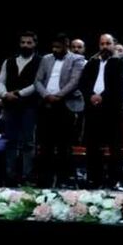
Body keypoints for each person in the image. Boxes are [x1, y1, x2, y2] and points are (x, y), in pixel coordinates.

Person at [34, 33, 85, 188]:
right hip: (46, 104)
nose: (55, 50)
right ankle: (45, 179)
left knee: (64, 144)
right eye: (53, 47)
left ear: (66, 45)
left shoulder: (77, 59)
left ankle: (64, 179)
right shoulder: (46, 59)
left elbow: (75, 81)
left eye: (58, 47)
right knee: (45, 144)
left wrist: (58, 96)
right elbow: (38, 81)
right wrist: (46, 95)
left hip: (65, 105)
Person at [79, 33, 123, 188]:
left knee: (115, 146)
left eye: (108, 43)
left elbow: (120, 83)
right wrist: (91, 96)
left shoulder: (120, 62)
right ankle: (94, 179)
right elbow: (83, 82)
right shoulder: (92, 62)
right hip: (93, 108)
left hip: (111, 109)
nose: (105, 47)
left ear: (114, 45)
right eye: (102, 44)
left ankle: (113, 180)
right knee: (93, 146)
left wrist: (102, 97)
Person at [0, 31, 39, 186]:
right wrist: (4, 94)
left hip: (29, 106)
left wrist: (19, 93)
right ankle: (10, 176)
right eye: (23, 42)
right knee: (10, 141)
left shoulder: (40, 61)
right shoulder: (9, 61)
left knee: (28, 142)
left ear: (35, 44)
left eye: (29, 42)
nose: (25, 45)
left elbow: (38, 83)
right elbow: (1, 81)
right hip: (10, 106)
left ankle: (27, 176)